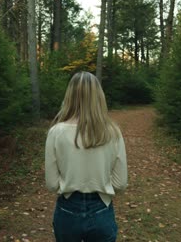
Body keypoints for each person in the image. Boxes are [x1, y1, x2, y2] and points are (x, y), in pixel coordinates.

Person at [45, 71, 128, 242]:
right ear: (99, 96)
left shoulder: (56, 132)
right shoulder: (113, 132)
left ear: (70, 95)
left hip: (67, 209)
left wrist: (71, 184)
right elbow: (120, 183)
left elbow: (52, 184)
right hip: (101, 209)